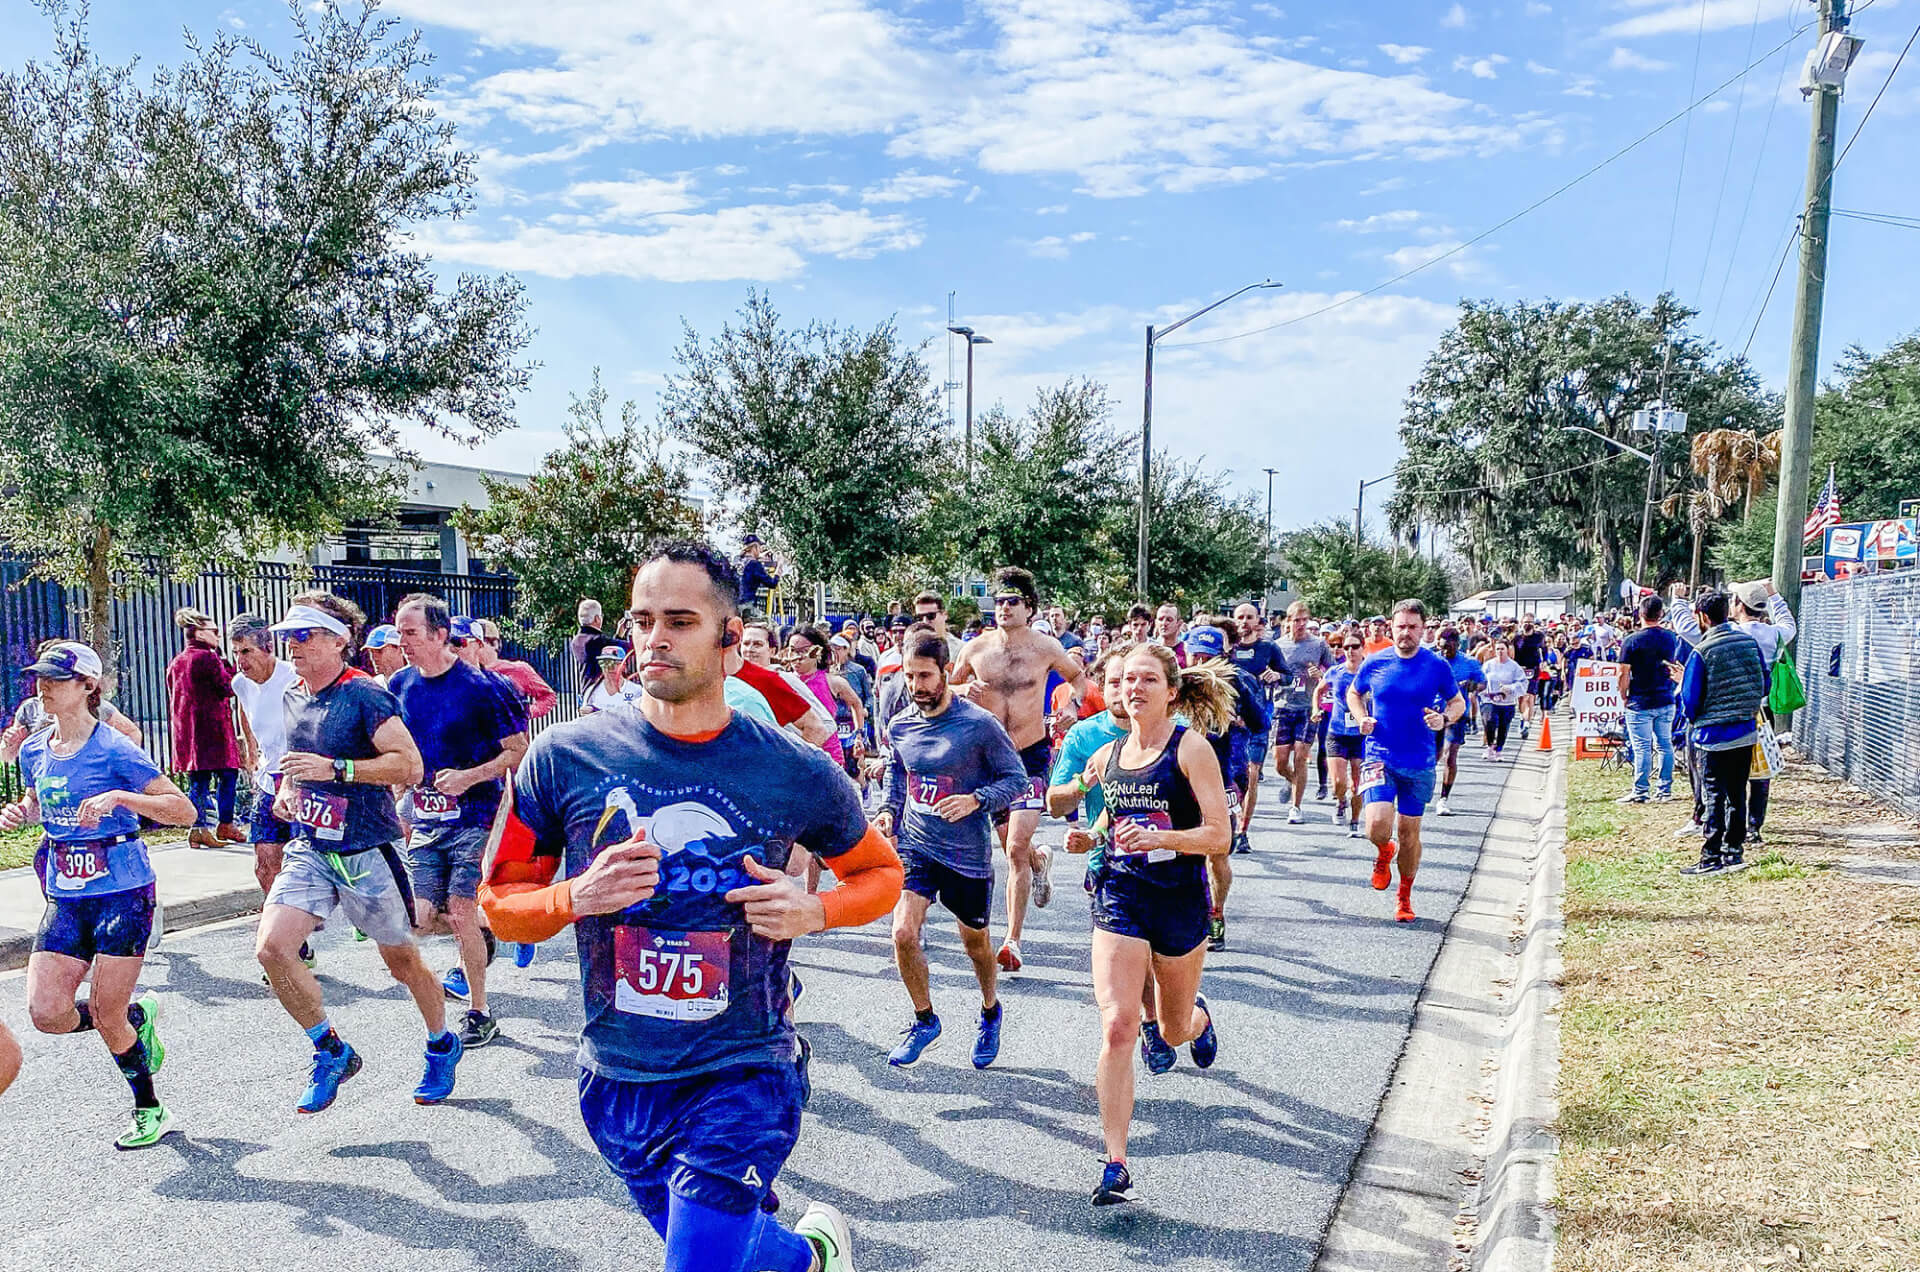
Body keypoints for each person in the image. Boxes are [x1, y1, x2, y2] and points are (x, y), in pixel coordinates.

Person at [480, 541, 902, 1272]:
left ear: (730, 637)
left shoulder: (792, 769)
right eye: (642, 620)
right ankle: (811, 1259)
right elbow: (498, 905)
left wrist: (814, 910)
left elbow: (879, 873)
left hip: (743, 1067)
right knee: (727, 1249)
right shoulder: (563, 758)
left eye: (679, 620)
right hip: (618, 1072)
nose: (654, 639)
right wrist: (576, 896)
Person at [254, 594, 465, 1112]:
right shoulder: (292, 695)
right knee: (272, 949)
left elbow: (409, 766)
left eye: (304, 636)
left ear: (338, 640)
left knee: (401, 962)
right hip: (311, 845)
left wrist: (341, 770)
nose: (292, 645)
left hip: (368, 848)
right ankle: (330, 1050)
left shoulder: (366, 696)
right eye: (289, 637)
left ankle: (441, 1041)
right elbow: (292, 760)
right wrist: (287, 790)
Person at [4, 641, 196, 1149]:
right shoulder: (33, 749)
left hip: (123, 891)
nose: (43, 686)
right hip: (66, 893)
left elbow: (183, 810)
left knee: (105, 1013)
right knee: (47, 1014)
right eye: (40, 677)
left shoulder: (114, 748)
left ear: (88, 686)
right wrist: (21, 812)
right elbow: (39, 799)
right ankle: (137, 1018)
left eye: (56, 678)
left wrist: (120, 796)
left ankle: (150, 1109)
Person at [1068, 643, 1234, 1205]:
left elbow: (1219, 836)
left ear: (1170, 691)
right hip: (1121, 893)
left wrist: (1163, 838)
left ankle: (1198, 1020)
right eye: (1125, 680)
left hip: (1180, 899)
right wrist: (1087, 837)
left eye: (1146, 680)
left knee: (1169, 1029)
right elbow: (1111, 824)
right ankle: (1115, 1160)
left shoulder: (1191, 749)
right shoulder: (1108, 755)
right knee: (1117, 1024)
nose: (1133, 688)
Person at [875, 632, 1029, 1069]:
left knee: (976, 945)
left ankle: (989, 1009)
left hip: (966, 855)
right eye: (909, 677)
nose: (916, 685)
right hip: (917, 846)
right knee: (903, 932)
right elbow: (898, 772)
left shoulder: (978, 725)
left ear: (947, 673)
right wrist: (889, 810)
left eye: (925, 675)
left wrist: (976, 800)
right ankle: (925, 1020)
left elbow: (1016, 780)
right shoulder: (901, 723)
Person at [391, 594, 529, 1048]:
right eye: (399, 632)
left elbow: (518, 750)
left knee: (461, 910)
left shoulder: (485, 687)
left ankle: (479, 1010)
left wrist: (469, 777)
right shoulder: (399, 685)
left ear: (439, 635)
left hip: (476, 813)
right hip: (427, 815)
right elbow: (396, 751)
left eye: (410, 633)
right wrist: (398, 793)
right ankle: (490, 930)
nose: (402, 641)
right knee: (421, 917)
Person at [950, 566, 1087, 973]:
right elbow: (945, 685)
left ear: (1029, 607)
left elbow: (1078, 678)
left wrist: (1070, 706)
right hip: (988, 757)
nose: (1004, 608)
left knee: (1012, 849)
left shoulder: (1045, 647)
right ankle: (1039, 862)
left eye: (1012, 602)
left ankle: (1012, 940)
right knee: (1015, 844)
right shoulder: (975, 649)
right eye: (999, 602)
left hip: (1029, 754)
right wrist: (960, 689)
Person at [1346, 600, 1466, 924]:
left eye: (1413, 627)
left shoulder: (1436, 665)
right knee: (1376, 827)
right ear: (1391, 627)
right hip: (1379, 755)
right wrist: (1361, 718)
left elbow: (1458, 702)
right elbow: (1354, 693)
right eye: (1401, 626)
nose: (1406, 633)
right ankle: (1384, 850)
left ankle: (1404, 896)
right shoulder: (1375, 662)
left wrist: (1444, 719)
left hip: (1419, 760)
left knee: (1409, 832)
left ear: (1423, 629)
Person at [228, 614, 313, 973]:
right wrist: (251, 755)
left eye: (246, 651)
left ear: (268, 648)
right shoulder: (241, 684)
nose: (240, 660)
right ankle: (291, 943)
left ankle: (292, 934)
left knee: (303, 865)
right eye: (235, 652)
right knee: (265, 863)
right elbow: (247, 716)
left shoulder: (293, 679)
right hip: (267, 780)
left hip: (301, 779)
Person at [1181, 624, 1269, 948]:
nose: (1200, 660)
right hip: (1181, 774)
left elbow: (1262, 723)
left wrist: (1236, 722)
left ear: (1222, 656)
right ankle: (1187, 912)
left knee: (1217, 852)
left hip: (1225, 773)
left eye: (1208, 656)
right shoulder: (1177, 683)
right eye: (1196, 654)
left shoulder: (1238, 682)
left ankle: (1216, 913)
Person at [1675, 590, 1768, 876]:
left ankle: (1711, 856)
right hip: (1745, 729)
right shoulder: (1749, 642)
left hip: (1712, 736)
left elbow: (1689, 700)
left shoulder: (1702, 651)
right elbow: (1765, 682)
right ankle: (1734, 852)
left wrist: (1696, 717)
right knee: (1737, 792)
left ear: (1702, 616)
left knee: (1713, 792)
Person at [167, 605, 245, 849]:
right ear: (200, 633)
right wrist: (226, 660)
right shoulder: (209, 657)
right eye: (214, 631)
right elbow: (229, 686)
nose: (218, 635)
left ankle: (198, 826)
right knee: (229, 774)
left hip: (187, 731)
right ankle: (225, 822)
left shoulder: (176, 662)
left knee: (198, 781)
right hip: (213, 729)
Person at [1273, 601, 1336, 825]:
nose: (1300, 624)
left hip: (1308, 707)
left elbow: (1333, 671)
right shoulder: (1278, 645)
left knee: (1300, 755)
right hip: (1282, 706)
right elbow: (1269, 670)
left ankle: (1296, 807)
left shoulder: (1318, 644)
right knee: (1280, 762)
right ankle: (1292, 782)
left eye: (1304, 620)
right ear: (1288, 621)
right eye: (1296, 620)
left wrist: (1319, 674)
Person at [1228, 602, 1287, 837]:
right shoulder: (1228, 649)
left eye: (1249, 617)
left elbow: (1289, 677)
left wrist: (1277, 676)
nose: (1244, 621)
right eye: (1240, 617)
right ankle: (1230, 823)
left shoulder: (1268, 648)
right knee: (1232, 777)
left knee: (1252, 774)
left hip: (1256, 720)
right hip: (1229, 722)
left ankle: (1243, 831)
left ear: (1257, 620)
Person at [1618, 596, 1684, 804]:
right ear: (1661, 614)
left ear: (1640, 614)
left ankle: (1641, 790)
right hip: (1665, 696)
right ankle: (1664, 789)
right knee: (1665, 744)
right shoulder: (1671, 638)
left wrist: (1623, 694)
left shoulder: (1631, 641)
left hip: (1640, 700)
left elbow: (1623, 673)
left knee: (1642, 747)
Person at [1433, 626, 1485, 817]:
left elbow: (1482, 682)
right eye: (1442, 647)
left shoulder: (1468, 662)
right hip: (1431, 713)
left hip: (1456, 714)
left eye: (1449, 648)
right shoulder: (1432, 660)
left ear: (1457, 644)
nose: (1445, 651)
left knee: (1450, 755)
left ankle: (1443, 799)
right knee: (1433, 756)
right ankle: (1423, 785)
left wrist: (1473, 686)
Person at [1325, 630, 1369, 835]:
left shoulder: (1370, 672)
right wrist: (1317, 709)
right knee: (1338, 782)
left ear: (1363, 648)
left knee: (1358, 782)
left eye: (1355, 647)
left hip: (1361, 734)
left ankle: (1355, 820)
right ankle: (1341, 801)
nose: (1350, 651)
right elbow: (1319, 689)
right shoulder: (1336, 671)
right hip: (1337, 731)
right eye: (1347, 647)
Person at [472, 619, 559, 720]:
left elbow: (549, 696)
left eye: (478, 641)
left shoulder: (517, 669)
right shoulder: (464, 672)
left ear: (494, 643)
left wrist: (526, 713)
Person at [1479, 639, 1528, 760]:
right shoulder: (1488, 665)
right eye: (1498, 649)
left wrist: (1510, 688)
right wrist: (1481, 690)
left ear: (1507, 650)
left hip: (1507, 701)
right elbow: (1480, 680)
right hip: (1489, 700)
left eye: (1502, 649)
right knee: (1489, 721)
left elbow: (1523, 682)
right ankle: (1490, 745)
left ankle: (1499, 750)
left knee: (1503, 726)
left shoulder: (1514, 667)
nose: (1500, 651)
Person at [571, 599, 618, 694]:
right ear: (597, 618)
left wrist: (619, 636)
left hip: (586, 691)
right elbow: (628, 647)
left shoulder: (576, 641)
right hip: (601, 694)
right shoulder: (597, 640)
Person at [1512, 615, 1546, 740]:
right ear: (1521, 623)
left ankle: (1527, 723)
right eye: (1526, 622)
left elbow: (1544, 649)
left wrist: (1544, 662)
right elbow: (1512, 653)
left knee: (1530, 697)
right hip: (1519, 669)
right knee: (1521, 698)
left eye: (1530, 622)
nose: (1528, 624)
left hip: (1533, 669)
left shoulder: (1539, 636)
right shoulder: (1516, 638)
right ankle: (1523, 717)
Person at [911, 592, 966, 665]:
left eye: (930, 616)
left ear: (945, 615)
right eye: (919, 618)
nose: (925, 622)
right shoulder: (910, 649)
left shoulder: (961, 650)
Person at [584, 645, 644, 713]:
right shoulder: (592, 691)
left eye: (614, 663)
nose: (609, 668)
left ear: (623, 665)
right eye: (604, 663)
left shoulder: (636, 690)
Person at [736, 533, 781, 611]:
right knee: (769, 622)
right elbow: (772, 584)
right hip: (748, 606)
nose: (760, 550)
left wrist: (760, 556)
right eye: (759, 547)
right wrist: (779, 567)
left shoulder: (738, 561)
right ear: (754, 547)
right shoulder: (755, 564)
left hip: (735, 605)